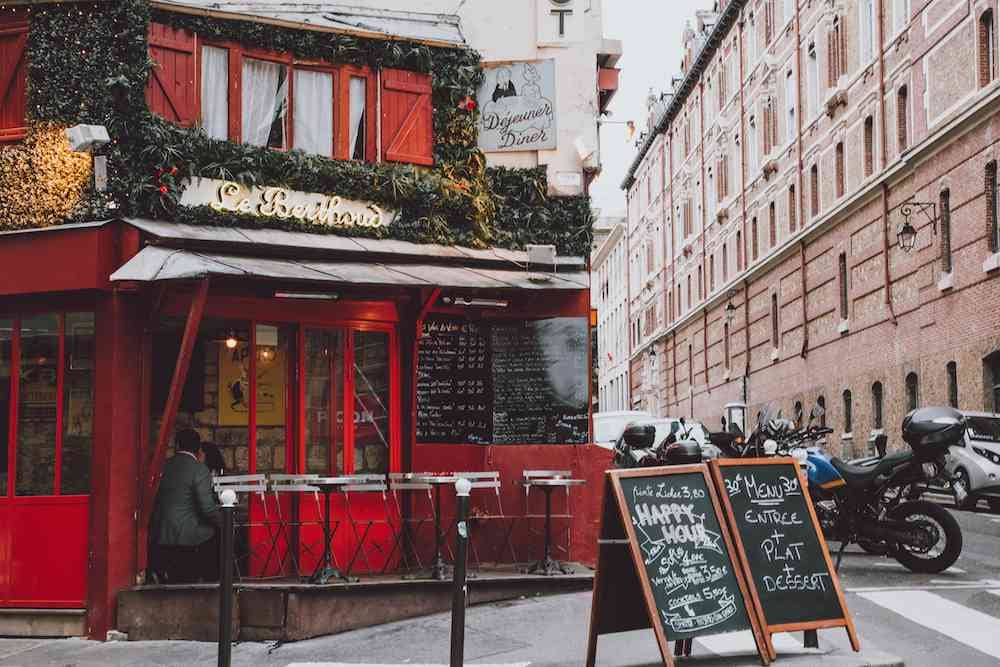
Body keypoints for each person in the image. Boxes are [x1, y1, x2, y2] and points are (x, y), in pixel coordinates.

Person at [151, 429, 221, 584]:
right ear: (198, 448)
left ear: (176, 445)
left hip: (161, 532)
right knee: (216, 534)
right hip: (188, 536)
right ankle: (212, 583)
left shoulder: (162, 466)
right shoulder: (200, 469)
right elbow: (207, 509)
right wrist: (225, 522)